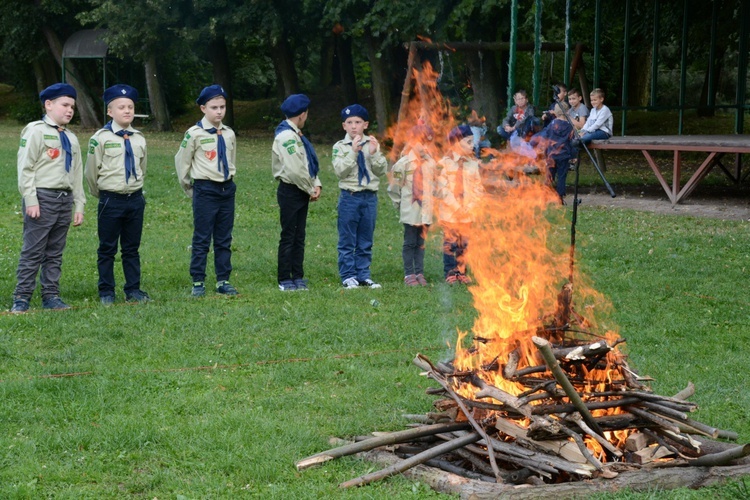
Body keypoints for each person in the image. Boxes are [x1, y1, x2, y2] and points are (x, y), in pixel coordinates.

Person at [10, 83, 85, 313]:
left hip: (64, 198)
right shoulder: (36, 131)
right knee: (33, 250)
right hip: (42, 198)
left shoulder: (71, 137)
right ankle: (21, 297)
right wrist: (30, 199)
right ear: (49, 105)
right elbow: (26, 167)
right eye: (65, 105)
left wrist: (79, 203)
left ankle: (51, 296)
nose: (70, 110)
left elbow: (77, 172)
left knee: (55, 251)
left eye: (72, 106)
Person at [85, 84, 149, 305]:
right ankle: (106, 291)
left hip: (135, 199)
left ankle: (133, 289)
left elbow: (143, 167)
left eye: (130, 106)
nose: (127, 111)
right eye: (121, 107)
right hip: (111, 199)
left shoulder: (139, 138)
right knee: (107, 248)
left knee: (132, 248)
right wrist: (103, 194)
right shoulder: (100, 138)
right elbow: (91, 172)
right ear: (110, 111)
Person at [175, 84, 238, 297]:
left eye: (222, 107)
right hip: (205, 188)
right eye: (214, 107)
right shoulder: (194, 134)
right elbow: (182, 163)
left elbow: (231, 160)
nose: (219, 111)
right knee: (202, 237)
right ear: (203, 108)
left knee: (224, 237)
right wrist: (190, 189)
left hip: (226, 189)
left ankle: (223, 279)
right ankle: (198, 281)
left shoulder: (229, 133)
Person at [332, 104, 388, 289]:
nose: (354, 126)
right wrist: (353, 153)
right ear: (344, 126)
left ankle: (363, 274)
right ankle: (348, 275)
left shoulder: (372, 144)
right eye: (349, 122)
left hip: (369, 197)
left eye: (357, 122)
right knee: (347, 239)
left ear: (365, 124)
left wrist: (372, 154)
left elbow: (381, 170)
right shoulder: (340, 147)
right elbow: (340, 171)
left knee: (365, 239)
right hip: (350, 197)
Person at [272, 94, 322, 292]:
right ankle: (285, 278)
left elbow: (307, 163)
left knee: (299, 235)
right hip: (291, 190)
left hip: (301, 189)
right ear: (302, 114)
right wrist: (310, 187)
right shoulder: (286, 136)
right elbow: (295, 169)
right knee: (289, 235)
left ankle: (298, 275)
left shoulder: (296, 134)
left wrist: (316, 183)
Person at [387, 125, 435, 287]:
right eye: (421, 142)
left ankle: (419, 272)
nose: (425, 147)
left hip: (426, 210)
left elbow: (436, 183)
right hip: (410, 209)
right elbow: (394, 187)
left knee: (421, 242)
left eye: (428, 143)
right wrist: (399, 205)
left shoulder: (431, 163)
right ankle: (409, 273)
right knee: (410, 242)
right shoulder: (404, 164)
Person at [436, 125, 484, 284]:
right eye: (469, 141)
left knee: (464, 244)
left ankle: (462, 271)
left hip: (467, 213)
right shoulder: (444, 164)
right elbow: (442, 189)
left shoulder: (473, 164)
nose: (473, 145)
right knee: (450, 243)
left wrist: (469, 207)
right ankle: (450, 272)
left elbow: (478, 188)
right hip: (450, 213)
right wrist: (456, 207)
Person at [530, 102, 576, 202]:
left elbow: (545, 137)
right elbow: (572, 141)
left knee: (549, 175)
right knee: (562, 176)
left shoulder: (552, 124)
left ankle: (545, 195)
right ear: (567, 111)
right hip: (564, 155)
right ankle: (560, 196)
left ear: (555, 112)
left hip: (551, 155)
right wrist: (573, 156)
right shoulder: (570, 126)